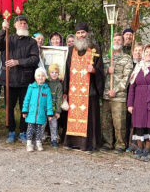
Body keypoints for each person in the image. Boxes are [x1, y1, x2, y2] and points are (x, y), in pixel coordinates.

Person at [0, 15, 39, 143]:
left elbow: (34, 59)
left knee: (25, 108)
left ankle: (23, 132)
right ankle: (11, 131)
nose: (23, 25)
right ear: (14, 25)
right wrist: (3, 30)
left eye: (25, 23)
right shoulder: (9, 38)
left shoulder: (32, 42)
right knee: (9, 107)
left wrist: (18, 61)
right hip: (9, 80)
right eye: (20, 23)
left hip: (26, 81)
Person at [63, 22, 104, 153]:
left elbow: (101, 70)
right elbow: (67, 71)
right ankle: (72, 142)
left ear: (87, 33)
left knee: (89, 119)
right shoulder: (71, 50)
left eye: (83, 32)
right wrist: (65, 91)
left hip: (90, 90)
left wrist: (94, 70)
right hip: (74, 91)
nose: (81, 35)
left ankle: (89, 144)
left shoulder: (95, 49)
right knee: (73, 116)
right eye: (78, 33)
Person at [100, 33, 133, 154]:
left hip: (119, 96)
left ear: (123, 43)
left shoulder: (127, 58)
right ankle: (107, 143)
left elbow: (127, 77)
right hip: (106, 95)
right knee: (105, 122)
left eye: (119, 40)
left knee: (119, 123)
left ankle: (120, 144)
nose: (117, 42)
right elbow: (99, 74)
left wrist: (116, 90)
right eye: (115, 40)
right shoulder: (105, 58)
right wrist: (106, 70)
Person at [22, 67, 53, 152]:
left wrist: (49, 113)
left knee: (39, 129)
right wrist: (25, 110)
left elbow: (49, 102)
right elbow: (26, 99)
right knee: (30, 128)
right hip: (31, 113)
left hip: (41, 113)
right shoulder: (31, 87)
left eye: (42, 76)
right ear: (35, 77)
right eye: (38, 75)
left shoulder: (47, 89)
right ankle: (29, 144)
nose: (40, 77)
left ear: (45, 77)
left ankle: (38, 142)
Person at [125, 42, 144, 152]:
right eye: (136, 50)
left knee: (136, 121)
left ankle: (137, 145)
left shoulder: (145, 65)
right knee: (127, 120)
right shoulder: (129, 62)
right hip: (128, 94)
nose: (137, 52)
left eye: (140, 50)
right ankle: (127, 143)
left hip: (139, 96)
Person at [44, 64, 63, 148]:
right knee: (42, 124)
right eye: (52, 72)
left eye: (56, 72)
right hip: (44, 109)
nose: (54, 74)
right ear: (49, 73)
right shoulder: (45, 83)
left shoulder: (59, 85)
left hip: (54, 109)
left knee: (54, 125)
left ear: (58, 74)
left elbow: (59, 99)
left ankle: (54, 140)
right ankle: (39, 139)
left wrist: (58, 111)